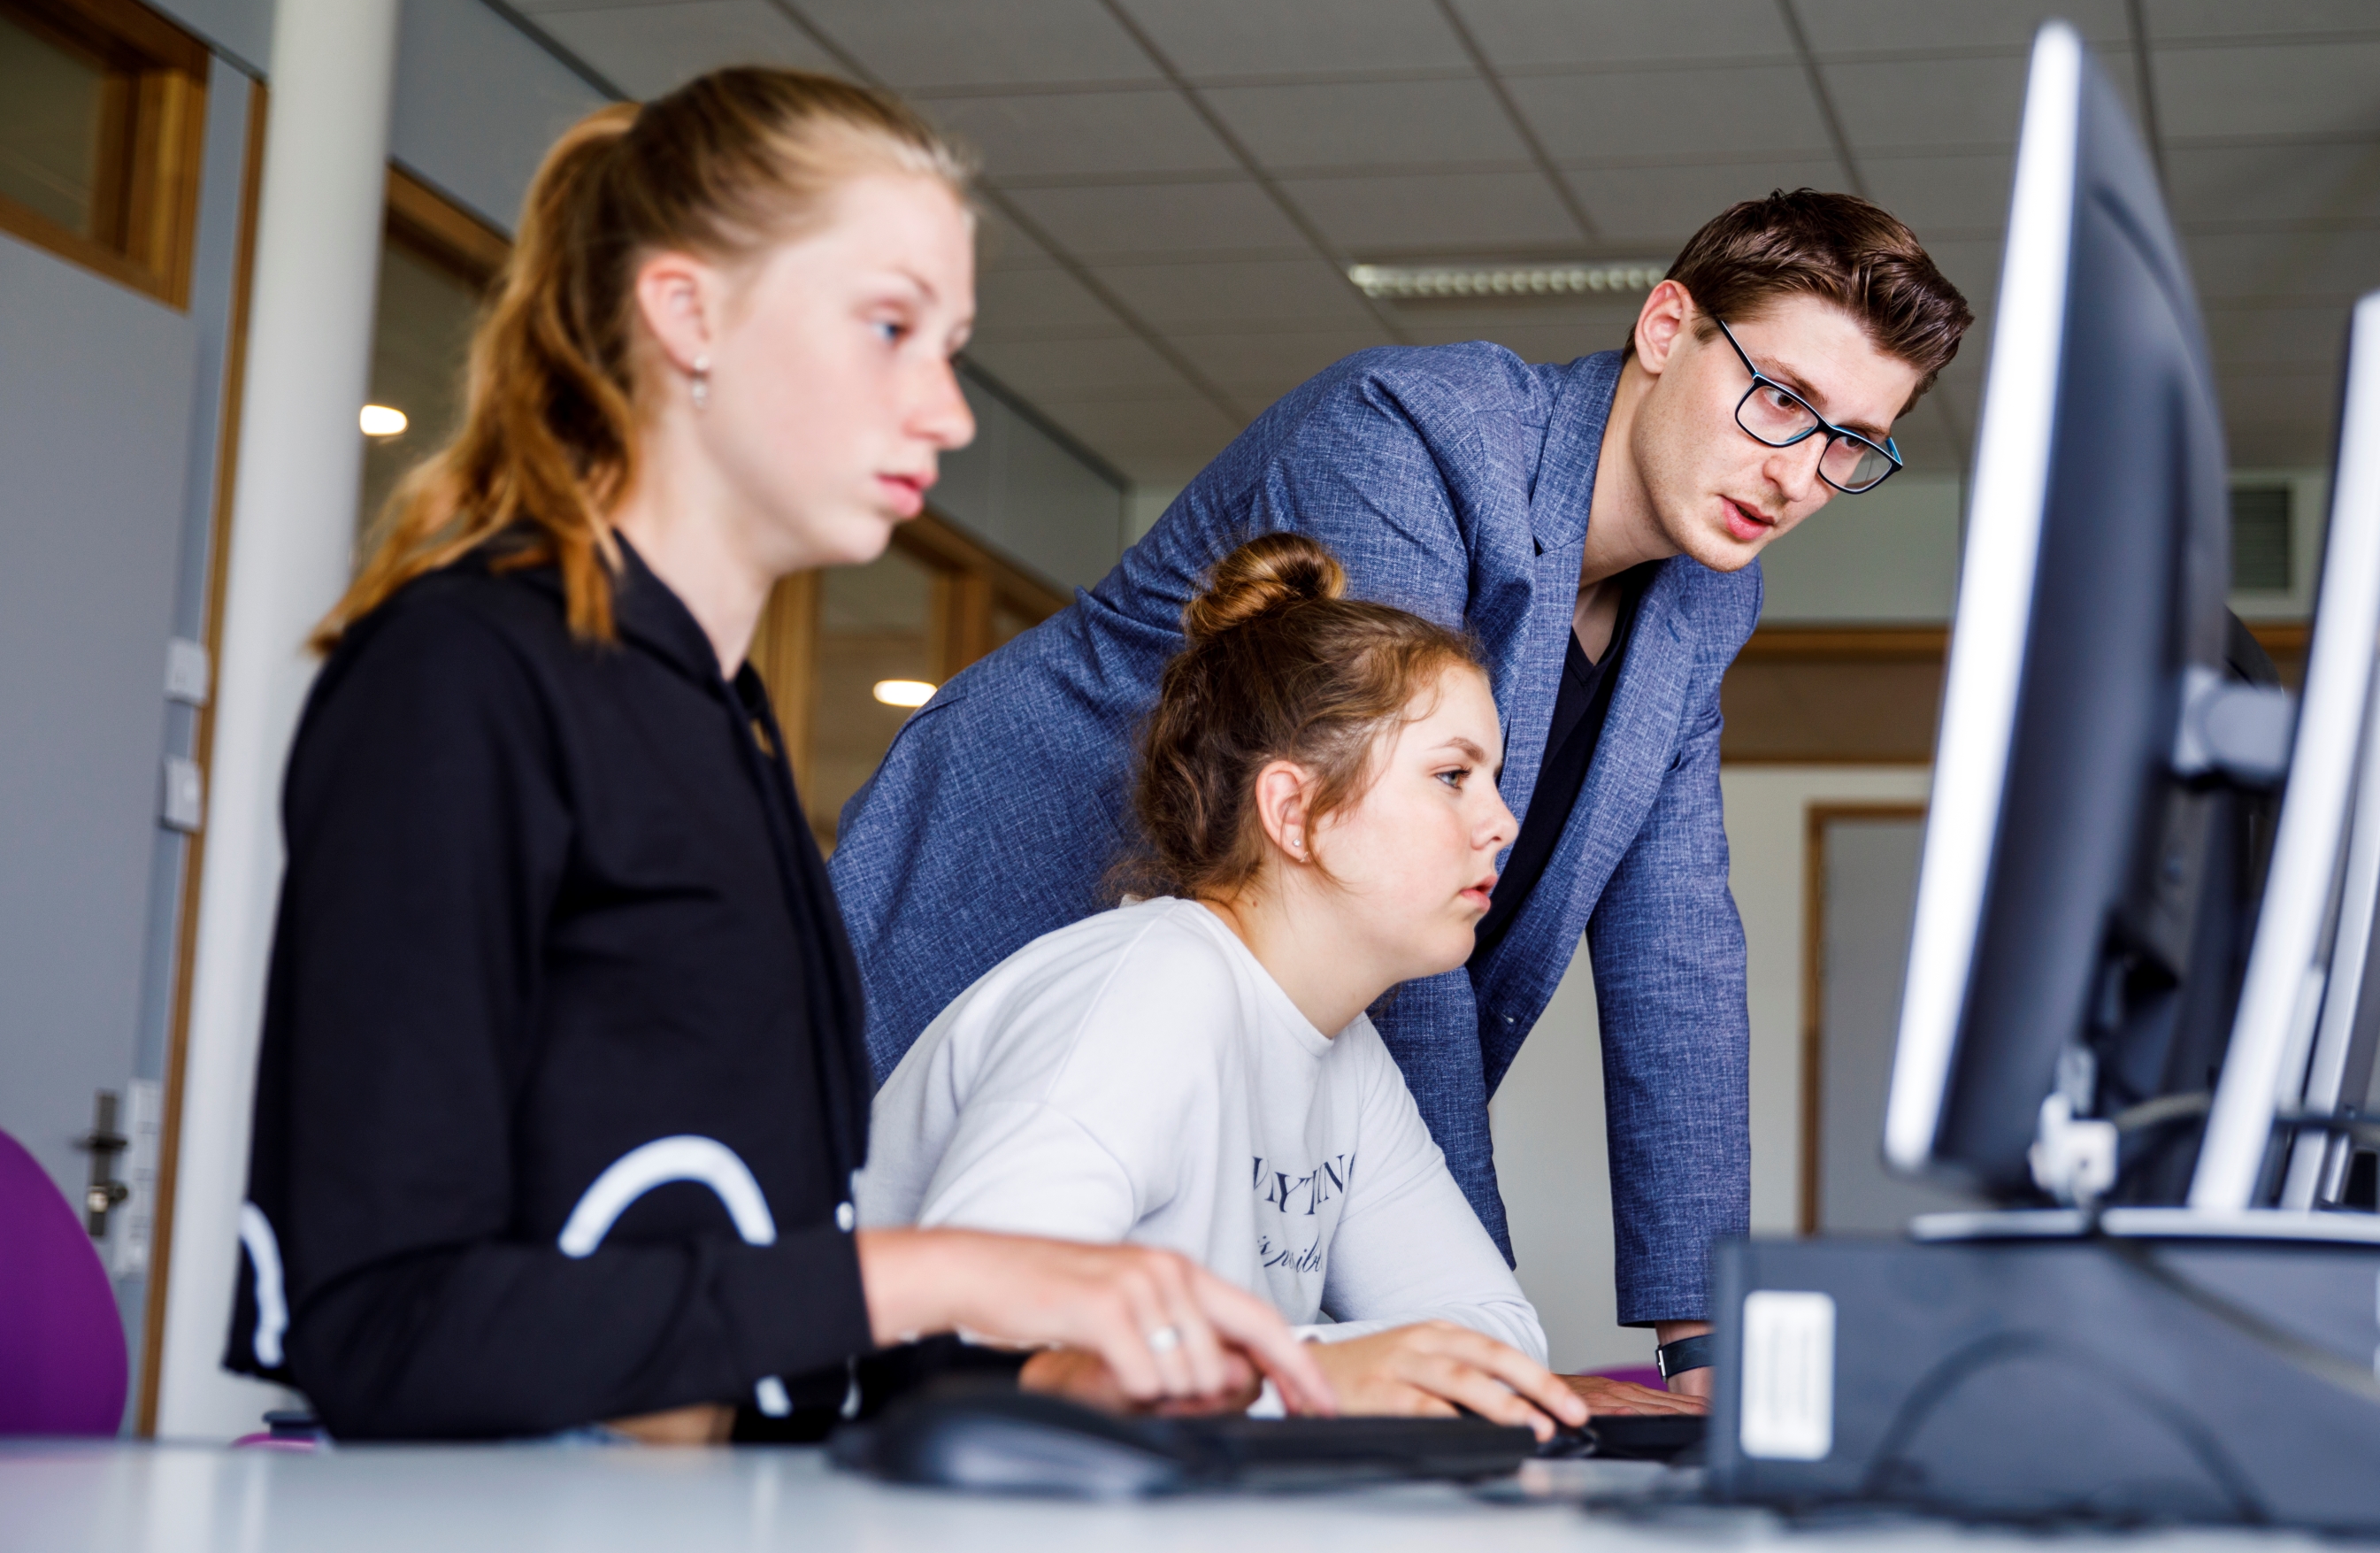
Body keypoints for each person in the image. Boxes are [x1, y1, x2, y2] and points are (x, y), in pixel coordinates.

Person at [224, 69, 1334, 1442]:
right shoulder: (462, 676)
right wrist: (941, 1269)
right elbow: (382, 1330)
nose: (948, 410)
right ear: (688, 313)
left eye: (952, 344)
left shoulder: (718, 716)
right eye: (889, 327)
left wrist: (1047, 1383)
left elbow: (749, 1320)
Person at [833, 191, 1971, 1406]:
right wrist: (1457, 1344)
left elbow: (1678, 942)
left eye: (1851, 440)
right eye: (1782, 399)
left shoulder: (1705, 598)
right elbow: (1374, 839)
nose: (1799, 473)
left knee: (1140, 1374)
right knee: (872, 1333)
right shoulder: (1411, 439)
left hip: (1262, 1000)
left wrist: (1703, 1348)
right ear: (1665, 325)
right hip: (1001, 892)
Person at [862, 534, 1591, 1438]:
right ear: (1294, 811)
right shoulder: (1147, 993)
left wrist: (1287, 1367)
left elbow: (1494, 1340)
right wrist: (1309, 1370)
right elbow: (969, 1341)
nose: (1502, 823)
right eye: (1451, 776)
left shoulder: (1342, 1049)